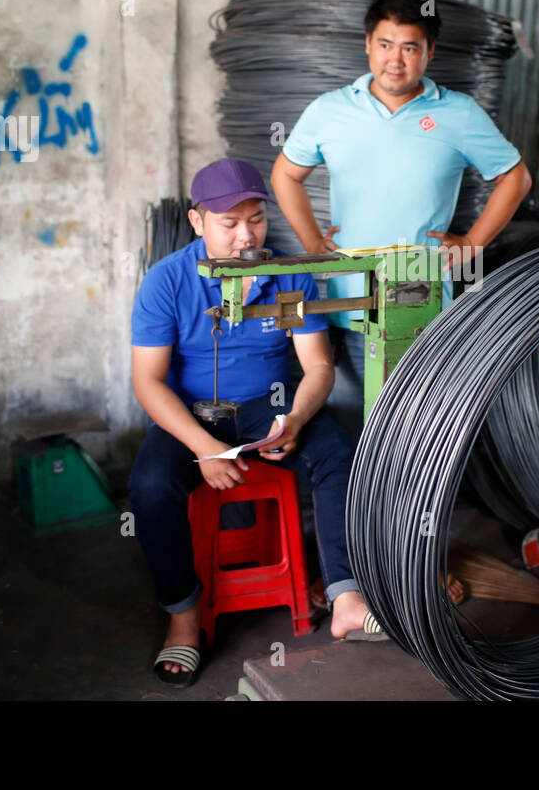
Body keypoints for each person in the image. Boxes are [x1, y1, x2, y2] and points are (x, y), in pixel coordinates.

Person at [129, 158, 381, 688]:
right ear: (197, 222)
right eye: (229, 224)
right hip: (194, 412)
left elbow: (317, 366)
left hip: (269, 404)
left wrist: (295, 418)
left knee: (340, 451)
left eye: (256, 220)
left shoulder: (286, 274)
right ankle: (183, 616)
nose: (247, 236)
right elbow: (148, 381)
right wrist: (202, 447)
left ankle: (346, 597)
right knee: (150, 486)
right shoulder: (167, 281)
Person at [272, 0, 532, 427]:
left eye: (410, 47)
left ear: (429, 52)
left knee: (413, 430)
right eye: (386, 44)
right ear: (368, 45)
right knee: (355, 425)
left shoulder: (458, 113)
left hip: (420, 299)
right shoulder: (329, 110)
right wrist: (312, 240)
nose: (396, 59)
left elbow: (516, 177)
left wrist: (471, 243)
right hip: (347, 298)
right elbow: (286, 175)